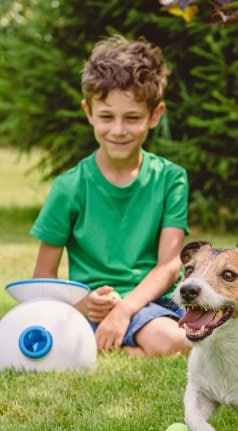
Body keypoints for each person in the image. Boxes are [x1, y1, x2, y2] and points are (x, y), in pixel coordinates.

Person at [30, 35, 191, 358]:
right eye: (106, 117)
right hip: (91, 306)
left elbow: (169, 266)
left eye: (132, 118)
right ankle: (108, 343)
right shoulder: (69, 186)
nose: (118, 130)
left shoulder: (171, 178)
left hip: (149, 302)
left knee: (175, 339)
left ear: (155, 115)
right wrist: (83, 304)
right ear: (88, 112)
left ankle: (105, 345)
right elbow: (42, 277)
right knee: (172, 342)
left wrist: (125, 310)